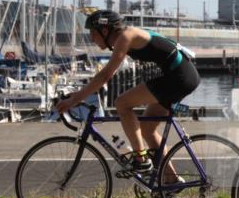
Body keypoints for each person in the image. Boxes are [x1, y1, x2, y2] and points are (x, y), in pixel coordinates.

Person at [55, 10, 200, 177]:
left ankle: (141, 160)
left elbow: (105, 75)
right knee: (147, 129)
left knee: (122, 103)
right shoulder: (127, 35)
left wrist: (74, 100)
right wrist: (77, 95)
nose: (91, 38)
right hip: (180, 75)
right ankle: (171, 180)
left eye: (93, 33)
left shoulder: (125, 37)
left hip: (179, 77)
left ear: (105, 30)